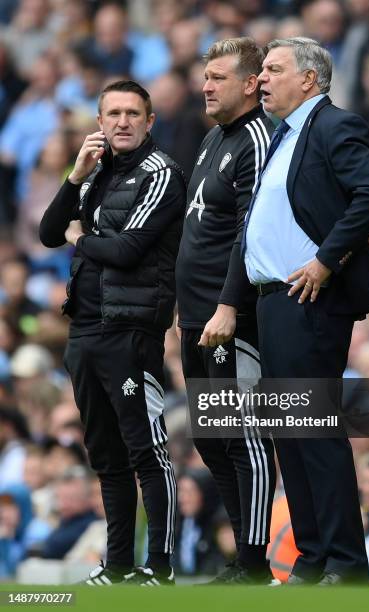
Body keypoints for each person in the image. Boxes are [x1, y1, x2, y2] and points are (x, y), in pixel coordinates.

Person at [243, 37, 369, 585]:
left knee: (314, 427)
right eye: (261, 69)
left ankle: (347, 565)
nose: (261, 78)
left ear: (309, 80)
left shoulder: (332, 125)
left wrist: (326, 260)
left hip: (308, 297)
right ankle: (312, 560)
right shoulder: (283, 137)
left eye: (273, 69)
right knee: (290, 431)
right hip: (274, 302)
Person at [39, 80, 186, 586]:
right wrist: (75, 175)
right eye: (112, 113)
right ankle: (119, 564)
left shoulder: (162, 171)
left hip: (131, 330)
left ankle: (161, 568)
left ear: (150, 121)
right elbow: (46, 231)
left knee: (148, 450)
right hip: (85, 330)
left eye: (132, 113)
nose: (122, 122)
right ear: (99, 122)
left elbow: (127, 250)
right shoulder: (96, 174)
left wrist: (80, 236)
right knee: (107, 456)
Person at [175, 37, 277, 585]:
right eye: (204, 76)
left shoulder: (255, 138)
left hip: (230, 316)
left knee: (245, 437)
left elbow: (248, 230)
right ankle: (242, 556)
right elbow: (200, 228)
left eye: (217, 76)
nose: (206, 85)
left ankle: (256, 563)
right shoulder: (215, 137)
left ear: (249, 83)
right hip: (196, 317)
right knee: (212, 437)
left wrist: (228, 305)